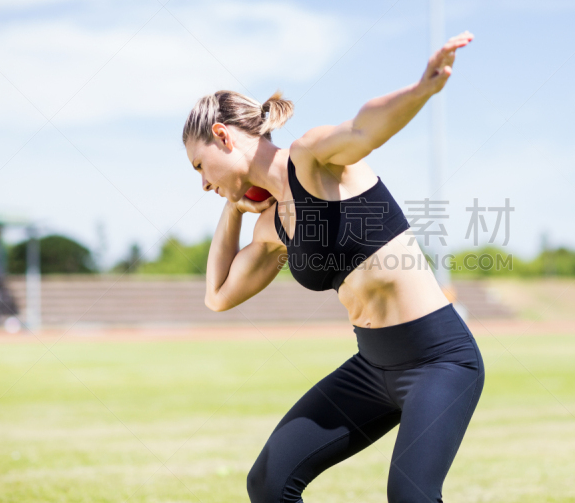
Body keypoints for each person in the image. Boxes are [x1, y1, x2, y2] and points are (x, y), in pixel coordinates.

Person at [182, 30, 484, 503]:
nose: (202, 183)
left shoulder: (312, 160)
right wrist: (231, 207)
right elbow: (217, 296)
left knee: (411, 495)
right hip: (372, 367)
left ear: (222, 136)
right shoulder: (271, 226)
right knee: (268, 484)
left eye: (200, 166)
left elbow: (365, 127)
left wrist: (422, 88)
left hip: (438, 360)